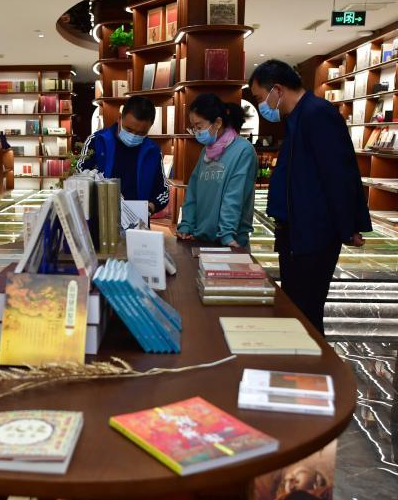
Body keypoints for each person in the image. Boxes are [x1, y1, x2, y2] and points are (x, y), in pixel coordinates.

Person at [249, 59, 371, 335]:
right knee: (296, 311)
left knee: (306, 313)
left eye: (259, 98)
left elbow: (339, 174)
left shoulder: (318, 114)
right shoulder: (299, 117)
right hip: (296, 231)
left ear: (277, 90)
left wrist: (348, 226)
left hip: (313, 234)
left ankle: (314, 360)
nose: (261, 105)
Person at [176, 93, 257, 247]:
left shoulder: (243, 150)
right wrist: (186, 225)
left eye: (199, 127)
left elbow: (235, 196)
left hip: (230, 240)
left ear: (218, 122)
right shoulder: (206, 151)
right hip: (201, 237)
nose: (196, 132)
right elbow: (193, 192)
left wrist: (227, 235)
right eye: (194, 127)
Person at [77, 95, 169, 214]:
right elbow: (79, 174)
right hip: (100, 216)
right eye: (129, 129)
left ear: (150, 127)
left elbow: (163, 191)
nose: (134, 136)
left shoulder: (153, 151)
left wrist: (150, 207)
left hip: (137, 218)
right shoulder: (97, 141)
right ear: (120, 118)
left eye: (141, 133)